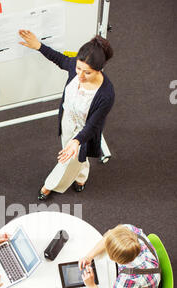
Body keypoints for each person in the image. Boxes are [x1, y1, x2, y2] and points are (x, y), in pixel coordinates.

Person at [18, 30, 115, 200]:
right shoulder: (75, 68)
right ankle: (81, 179)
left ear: (100, 70)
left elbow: (93, 125)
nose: (80, 75)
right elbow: (59, 59)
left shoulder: (106, 94)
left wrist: (77, 141)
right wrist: (39, 46)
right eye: (78, 68)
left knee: (69, 159)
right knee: (77, 158)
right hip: (67, 121)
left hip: (85, 130)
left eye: (87, 72)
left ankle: (50, 185)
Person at [80, 224, 161, 288]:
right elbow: (108, 237)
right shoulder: (128, 230)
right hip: (148, 274)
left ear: (115, 259)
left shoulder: (129, 278)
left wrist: (92, 286)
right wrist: (89, 256)